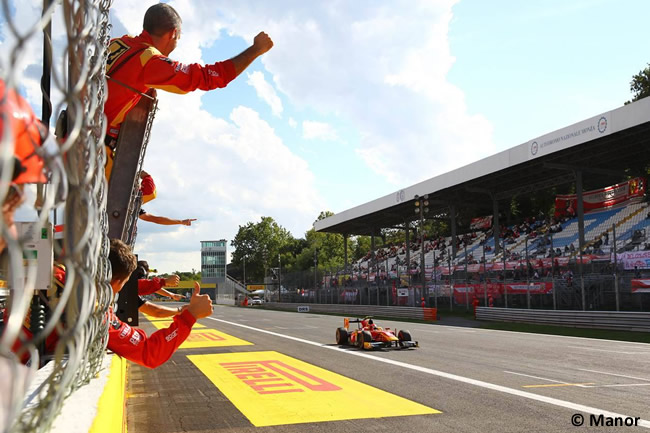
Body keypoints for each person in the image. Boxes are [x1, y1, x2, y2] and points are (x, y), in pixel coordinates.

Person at [103, 3, 273, 179]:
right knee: (144, 190)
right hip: (94, 149)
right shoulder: (149, 58)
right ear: (173, 34)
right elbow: (207, 77)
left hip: (77, 125)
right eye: (178, 38)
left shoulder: (117, 43)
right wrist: (255, 50)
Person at [107, 239, 213, 368]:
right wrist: (190, 315)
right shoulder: (102, 316)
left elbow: (139, 287)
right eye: (125, 283)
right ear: (118, 283)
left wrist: (165, 287)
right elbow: (150, 352)